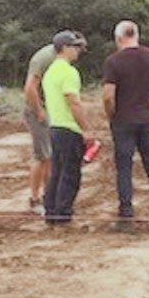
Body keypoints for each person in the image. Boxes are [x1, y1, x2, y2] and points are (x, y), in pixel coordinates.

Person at [102, 19, 149, 230]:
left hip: (123, 121)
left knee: (124, 168)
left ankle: (126, 216)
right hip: (147, 120)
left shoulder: (113, 62)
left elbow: (108, 96)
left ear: (118, 38)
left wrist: (111, 115)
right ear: (137, 35)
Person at [41, 30, 94, 225]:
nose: (78, 51)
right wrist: (87, 128)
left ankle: (51, 213)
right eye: (75, 47)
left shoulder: (50, 72)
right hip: (69, 129)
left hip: (55, 127)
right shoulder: (69, 72)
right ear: (64, 48)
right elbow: (73, 103)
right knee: (70, 175)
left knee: (56, 173)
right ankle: (63, 215)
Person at [22, 38, 59, 215]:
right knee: (42, 155)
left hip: (48, 108)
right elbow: (30, 87)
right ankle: (35, 199)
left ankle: (48, 196)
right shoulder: (44, 58)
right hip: (38, 110)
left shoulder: (56, 57)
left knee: (48, 156)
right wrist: (39, 112)